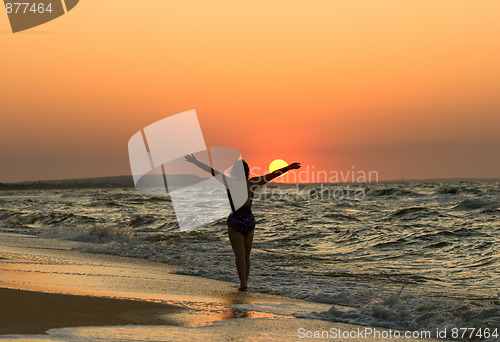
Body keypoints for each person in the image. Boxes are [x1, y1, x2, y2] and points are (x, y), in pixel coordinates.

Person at [185, 154, 301, 291]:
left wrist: (290, 167)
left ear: (246, 172)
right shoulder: (228, 182)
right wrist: (196, 161)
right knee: (240, 254)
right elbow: (212, 171)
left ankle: (245, 282)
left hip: (249, 221)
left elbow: (272, 175)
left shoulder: (252, 183)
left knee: (247, 254)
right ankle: (243, 284)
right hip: (236, 221)